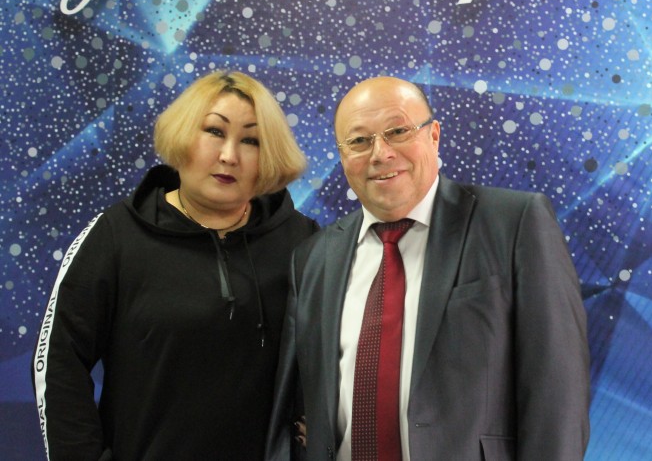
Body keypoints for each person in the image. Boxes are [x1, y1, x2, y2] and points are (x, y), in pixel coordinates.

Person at [266, 76, 590, 461]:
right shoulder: (314, 257)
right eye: (359, 141)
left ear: (434, 135)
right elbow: (299, 401)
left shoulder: (514, 224)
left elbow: (558, 396)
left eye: (398, 131)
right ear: (342, 156)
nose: (380, 153)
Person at [33, 70, 317, 461]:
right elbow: (59, 361)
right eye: (214, 131)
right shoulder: (116, 235)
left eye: (251, 140)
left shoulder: (303, 242)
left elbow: (336, 358)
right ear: (183, 134)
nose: (229, 155)